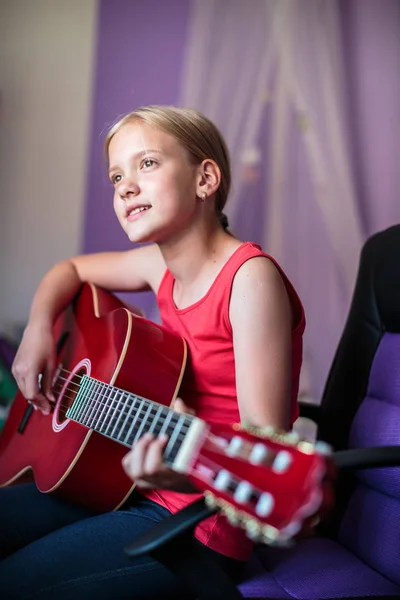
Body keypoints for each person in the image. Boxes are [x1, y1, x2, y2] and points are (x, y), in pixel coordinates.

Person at [0, 105, 305, 599]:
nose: (124, 186)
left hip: (201, 524)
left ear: (205, 178)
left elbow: (263, 460)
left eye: (146, 164)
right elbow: (70, 270)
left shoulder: (249, 280)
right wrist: (38, 328)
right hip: (128, 486)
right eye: (116, 175)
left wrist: (183, 471)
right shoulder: (156, 267)